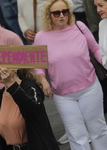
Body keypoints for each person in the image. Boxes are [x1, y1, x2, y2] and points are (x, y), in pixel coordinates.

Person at [34, 0, 107, 150]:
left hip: (90, 89)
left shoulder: (79, 27)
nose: (61, 16)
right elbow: (38, 65)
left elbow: (95, 49)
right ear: (49, 15)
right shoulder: (41, 37)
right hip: (63, 96)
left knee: (98, 131)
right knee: (77, 137)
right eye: (56, 13)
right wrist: (42, 80)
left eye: (65, 11)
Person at [0, 67, 60, 150]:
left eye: (1, 68)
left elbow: (32, 111)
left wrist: (12, 85)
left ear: (15, 68)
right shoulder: (0, 95)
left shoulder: (30, 87)